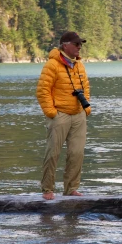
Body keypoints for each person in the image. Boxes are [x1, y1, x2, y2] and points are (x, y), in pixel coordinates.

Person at [35, 31, 92, 200]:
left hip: (78, 114)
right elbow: (42, 91)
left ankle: (71, 188)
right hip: (59, 114)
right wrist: (52, 112)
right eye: (76, 44)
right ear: (65, 45)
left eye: (80, 44)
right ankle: (47, 190)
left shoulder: (80, 65)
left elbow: (86, 87)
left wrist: (86, 108)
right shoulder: (52, 65)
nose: (79, 47)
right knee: (53, 153)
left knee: (77, 153)